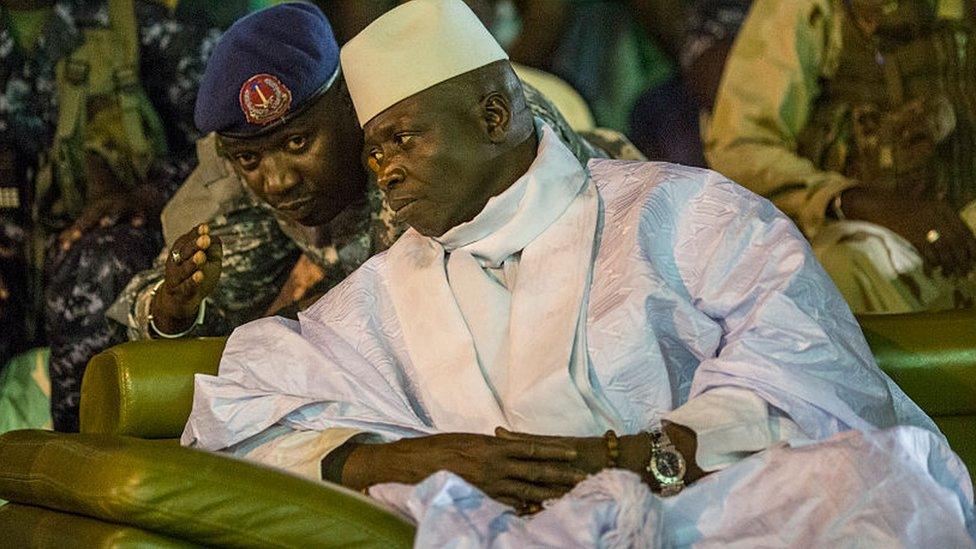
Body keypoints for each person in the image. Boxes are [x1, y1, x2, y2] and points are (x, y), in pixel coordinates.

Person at [182, 1, 975, 545]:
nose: (383, 170)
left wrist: (632, 461)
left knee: (873, 488)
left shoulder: (683, 214)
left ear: (494, 118)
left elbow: (803, 361)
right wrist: (414, 459)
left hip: (705, 514)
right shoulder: (386, 290)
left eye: (402, 140)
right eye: (375, 149)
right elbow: (239, 416)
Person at [108, 2, 643, 342]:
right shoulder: (263, 188)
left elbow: (541, 255)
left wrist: (317, 311)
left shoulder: (436, 128)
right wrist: (173, 309)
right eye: (250, 159)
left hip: (613, 236)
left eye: (299, 142)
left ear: (348, 102)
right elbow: (170, 299)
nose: (278, 180)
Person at [706, 0, 976, 313]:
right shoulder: (808, 9)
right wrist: (848, 200)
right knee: (843, 263)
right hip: (867, 244)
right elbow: (740, 148)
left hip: (964, 228)